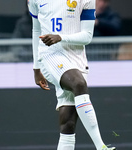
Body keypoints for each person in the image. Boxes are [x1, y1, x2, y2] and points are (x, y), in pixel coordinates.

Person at [28, 0, 116, 150]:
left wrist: (61, 37)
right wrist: (36, 68)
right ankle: (100, 146)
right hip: (50, 54)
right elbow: (36, 30)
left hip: (77, 59)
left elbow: (87, 36)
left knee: (68, 123)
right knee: (79, 84)